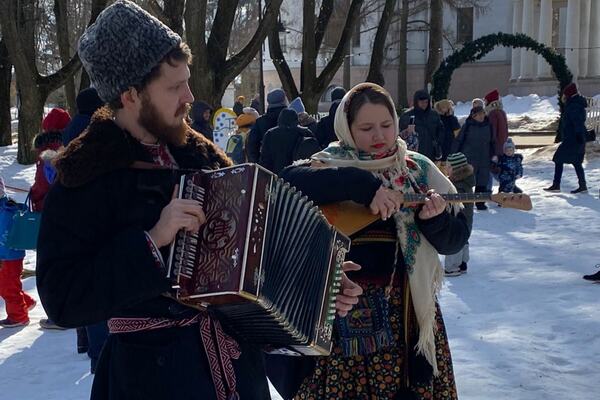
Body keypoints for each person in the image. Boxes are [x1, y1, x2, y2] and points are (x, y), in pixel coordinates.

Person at [36, 2, 360, 399]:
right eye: (174, 87)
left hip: (235, 374)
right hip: (149, 382)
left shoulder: (203, 156)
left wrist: (324, 286)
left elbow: (263, 247)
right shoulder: (85, 176)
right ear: (131, 95)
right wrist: (151, 241)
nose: (190, 96)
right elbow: (63, 300)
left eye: (186, 81)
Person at [268, 83, 469, 399]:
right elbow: (286, 184)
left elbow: (454, 240)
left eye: (387, 125)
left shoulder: (418, 170)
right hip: (344, 316)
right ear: (347, 129)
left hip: (408, 316)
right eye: (366, 128)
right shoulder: (330, 163)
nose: (380, 136)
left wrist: (436, 220)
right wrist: (359, 184)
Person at [0, 176, 36, 328]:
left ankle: (18, 317)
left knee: (7, 286)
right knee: (8, 285)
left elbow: (4, 236)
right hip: (8, 256)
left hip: (8, 257)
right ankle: (25, 303)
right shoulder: (6, 207)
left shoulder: (5, 212)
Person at [544, 82, 588, 194]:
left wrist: (578, 134)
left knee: (559, 159)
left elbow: (577, 121)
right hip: (575, 138)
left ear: (568, 95)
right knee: (575, 162)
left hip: (573, 139)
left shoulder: (573, 105)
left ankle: (557, 184)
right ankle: (581, 185)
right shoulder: (576, 103)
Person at [452, 105, 496, 210]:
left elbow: (492, 142)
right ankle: (464, 202)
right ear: (473, 116)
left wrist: (494, 154)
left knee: (482, 180)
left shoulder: (488, 125)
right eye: (479, 114)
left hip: (484, 157)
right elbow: (459, 141)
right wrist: (453, 153)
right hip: (469, 158)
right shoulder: (467, 126)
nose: (482, 116)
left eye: (483, 114)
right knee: (467, 180)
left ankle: (480, 202)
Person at [259, 108, 319, 175]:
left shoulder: (270, 134)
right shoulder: (305, 132)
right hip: (298, 174)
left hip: (276, 175)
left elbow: (265, 159)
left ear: (280, 119)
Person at [443, 152, 474, 276]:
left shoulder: (458, 186)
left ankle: (452, 267)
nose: (446, 168)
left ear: (456, 170)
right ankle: (462, 263)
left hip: (457, 219)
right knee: (463, 239)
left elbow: (454, 205)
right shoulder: (466, 182)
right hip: (465, 220)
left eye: (449, 166)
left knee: (454, 241)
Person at [399, 89, 445, 161]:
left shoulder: (434, 115)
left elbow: (441, 130)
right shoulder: (407, 116)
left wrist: (438, 143)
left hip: (431, 151)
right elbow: (401, 135)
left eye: (426, 102)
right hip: (414, 152)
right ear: (416, 102)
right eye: (421, 102)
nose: (424, 104)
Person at [247, 88, 288, 162]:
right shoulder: (292, 119)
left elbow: (252, 146)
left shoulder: (260, 122)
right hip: (291, 166)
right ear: (284, 101)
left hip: (267, 166)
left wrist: (258, 163)